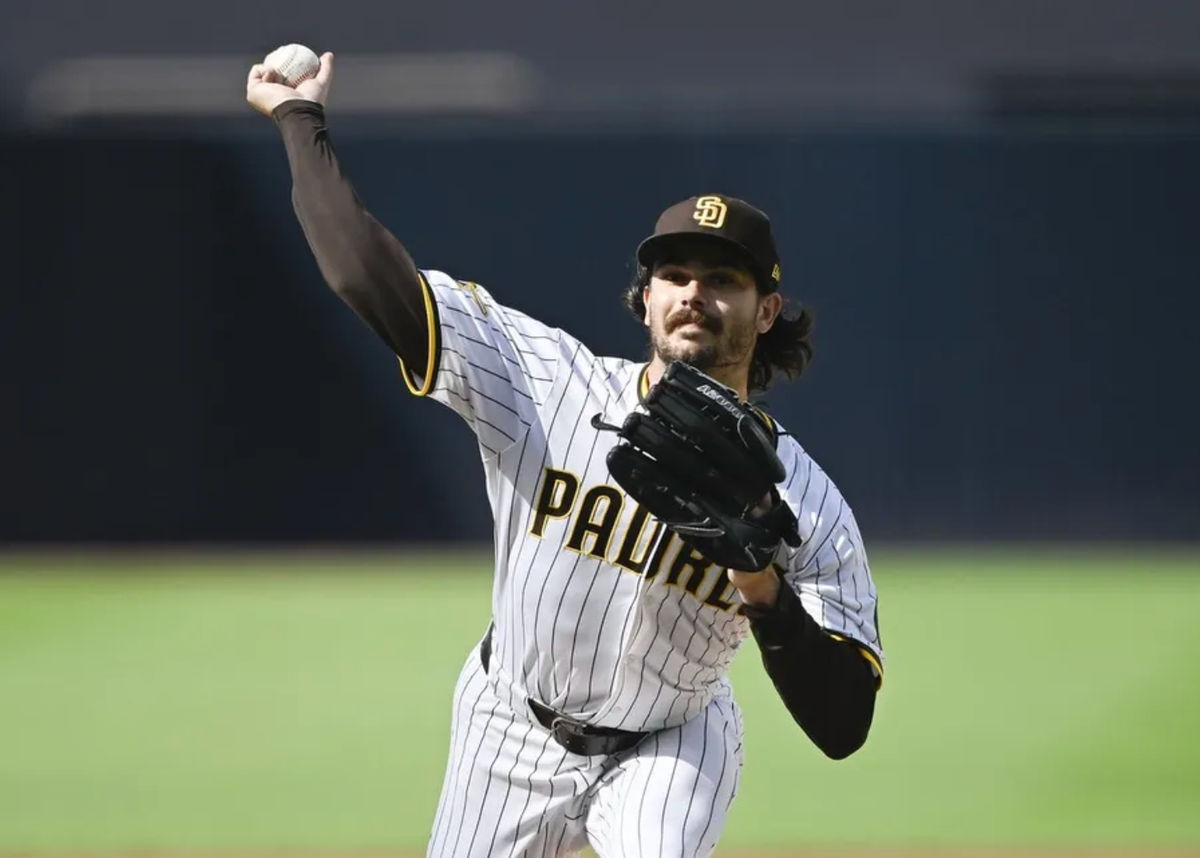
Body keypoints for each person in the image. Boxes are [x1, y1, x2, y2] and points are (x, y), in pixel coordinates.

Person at [246, 51, 883, 858]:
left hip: (672, 743)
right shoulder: (546, 380)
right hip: (511, 723)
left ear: (766, 312)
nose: (693, 292)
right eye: (674, 273)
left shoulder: (804, 502)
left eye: (723, 279)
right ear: (644, 297)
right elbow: (367, 276)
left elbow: (844, 723)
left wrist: (762, 587)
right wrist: (300, 124)